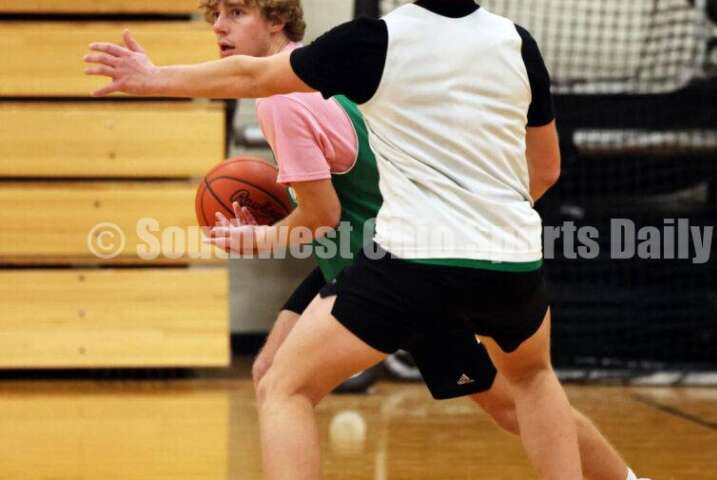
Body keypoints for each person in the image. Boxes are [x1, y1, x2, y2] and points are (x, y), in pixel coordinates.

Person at [85, 2, 646, 479]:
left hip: (404, 260)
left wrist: (154, 78)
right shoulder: (517, 42)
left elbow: (272, 116)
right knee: (531, 381)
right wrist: (483, 222)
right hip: (507, 256)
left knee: (286, 386)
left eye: (237, 11)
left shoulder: (372, 42)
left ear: (277, 19)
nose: (221, 23)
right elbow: (545, 168)